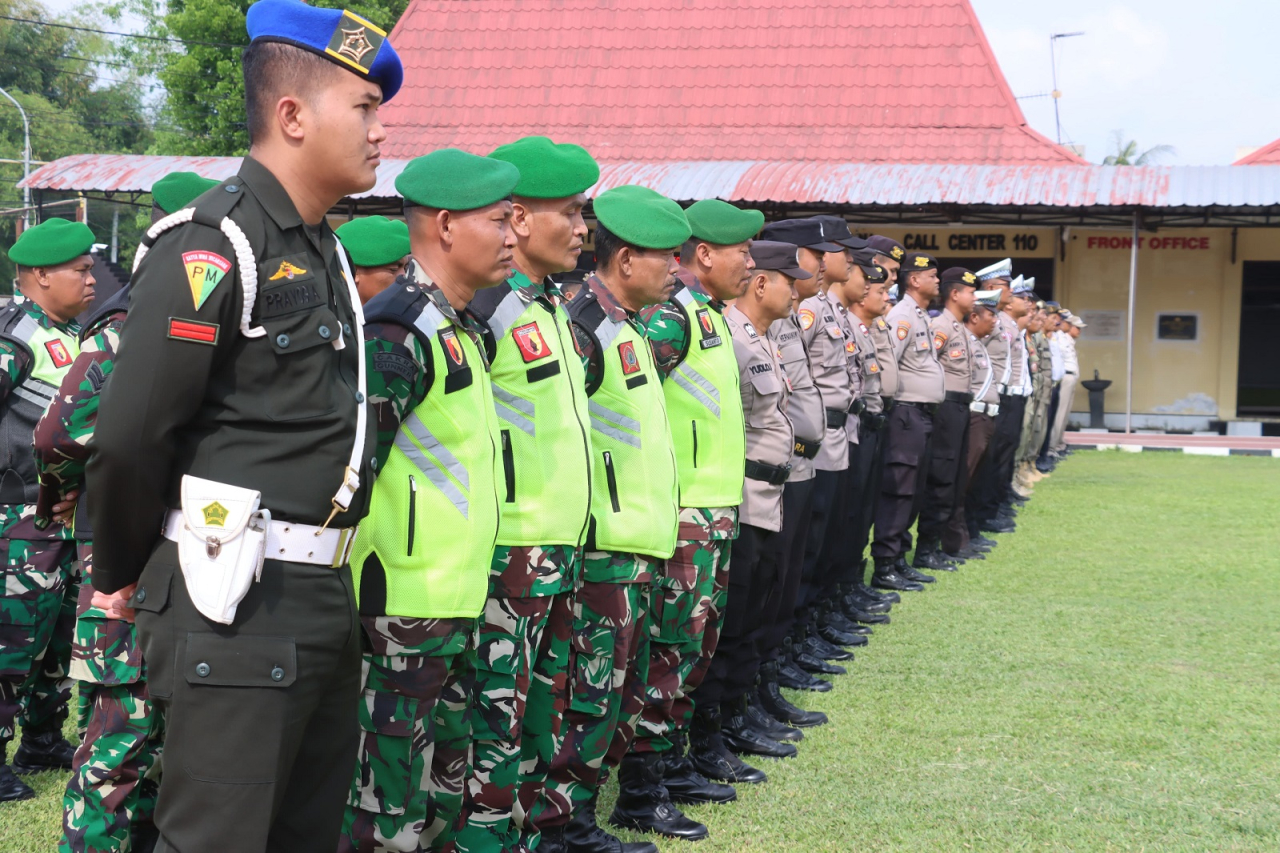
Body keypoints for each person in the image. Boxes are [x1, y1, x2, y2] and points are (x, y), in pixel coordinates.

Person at [85, 1, 402, 847]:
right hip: (235, 603)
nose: (380, 132)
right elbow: (131, 433)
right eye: (365, 108)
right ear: (292, 115)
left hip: (317, 599)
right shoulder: (214, 243)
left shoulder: (322, 247)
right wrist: (118, 569)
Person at [335, 149, 516, 853]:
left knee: (440, 799)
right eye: (499, 221)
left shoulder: (459, 325)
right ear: (444, 225)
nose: (512, 235)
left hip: (453, 600)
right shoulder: (398, 329)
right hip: (398, 610)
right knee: (386, 811)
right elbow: (347, 475)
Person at [42, 170, 217, 853]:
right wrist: (61, 486)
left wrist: (64, 481)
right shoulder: (134, 320)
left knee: (162, 745)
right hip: (128, 564)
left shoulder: (192, 315)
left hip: (189, 565)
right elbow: (62, 431)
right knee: (120, 738)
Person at [452, 136, 597, 853]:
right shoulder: (484, 308)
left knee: (541, 717)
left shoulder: (551, 308)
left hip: (559, 552)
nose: (581, 229)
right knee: (491, 725)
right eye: (568, 213)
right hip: (509, 554)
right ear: (517, 217)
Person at [536, 185, 686, 853]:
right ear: (626, 260)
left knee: (618, 694)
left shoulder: (626, 325)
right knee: (586, 694)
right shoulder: (585, 327)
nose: (676, 269)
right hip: (602, 547)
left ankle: (582, 814)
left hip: (638, 545)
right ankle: (563, 823)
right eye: (666, 257)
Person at [613, 199, 759, 841]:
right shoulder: (672, 321)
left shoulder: (708, 317)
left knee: (693, 650)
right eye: (741, 252)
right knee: (671, 652)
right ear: (705, 255)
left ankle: (669, 770)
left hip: (714, 512)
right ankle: (643, 793)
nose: (752, 264)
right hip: (684, 517)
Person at [689, 241, 811, 784]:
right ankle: (709, 735)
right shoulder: (730, 337)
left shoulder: (759, 337)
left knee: (755, 616)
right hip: (740, 499)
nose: (798, 289)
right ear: (763, 284)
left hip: (771, 496)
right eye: (790, 280)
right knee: (730, 625)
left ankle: (736, 716)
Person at [0, 218, 97, 802]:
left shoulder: (74, 330)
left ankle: (41, 738)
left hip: (62, 519)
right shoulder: (13, 334)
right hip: (15, 520)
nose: (91, 280)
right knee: (9, 644)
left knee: (57, 638)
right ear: (39, 275)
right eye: (79, 271)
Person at [753, 218, 836, 694]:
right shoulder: (769, 319)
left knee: (790, 575)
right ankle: (760, 679)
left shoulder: (791, 314)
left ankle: (774, 667)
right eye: (813, 255)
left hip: (803, 460)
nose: (819, 265)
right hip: (771, 471)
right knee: (768, 586)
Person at [792, 216, 867, 667]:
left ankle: (813, 624)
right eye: (833, 251)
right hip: (814, 439)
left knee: (827, 537)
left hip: (837, 431)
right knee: (810, 541)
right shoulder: (810, 310)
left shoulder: (829, 308)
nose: (840, 260)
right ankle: (799, 636)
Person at [821, 250, 894, 629]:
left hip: (854, 427)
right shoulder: (817, 313)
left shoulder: (851, 322)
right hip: (826, 436)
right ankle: (822, 612)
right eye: (858, 272)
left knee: (851, 519)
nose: (867, 281)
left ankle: (840, 595)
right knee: (830, 529)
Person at [869, 252, 945, 591]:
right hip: (905, 414)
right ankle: (885, 562)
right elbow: (889, 362)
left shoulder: (918, 314)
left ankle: (899, 557)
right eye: (933, 274)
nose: (938, 280)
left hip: (920, 415)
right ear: (914, 280)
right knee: (898, 490)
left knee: (911, 491)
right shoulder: (902, 315)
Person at [914, 267, 978, 572]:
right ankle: (925, 549)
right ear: (956, 294)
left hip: (961, 408)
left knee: (954, 479)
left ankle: (940, 543)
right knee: (940, 478)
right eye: (971, 291)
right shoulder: (941, 326)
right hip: (947, 409)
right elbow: (926, 364)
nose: (975, 298)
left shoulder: (959, 327)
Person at [967, 260, 1026, 539]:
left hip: (1005, 396)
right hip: (990, 396)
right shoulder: (988, 320)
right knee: (987, 462)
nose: (1012, 291)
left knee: (1000, 457)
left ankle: (992, 509)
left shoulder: (1004, 321)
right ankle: (984, 513)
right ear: (990, 288)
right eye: (1006, 285)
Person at [943, 289, 1001, 561]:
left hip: (985, 417)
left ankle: (967, 534)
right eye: (991, 314)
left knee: (974, 482)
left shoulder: (977, 342)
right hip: (973, 416)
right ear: (975, 317)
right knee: (961, 482)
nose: (995, 321)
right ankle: (955, 539)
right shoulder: (963, 338)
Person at [335, 215, 411, 304]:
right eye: (393, 269)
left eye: (405, 268)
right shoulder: (325, 316)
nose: (404, 276)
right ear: (354, 271)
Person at [1047, 313, 1081, 455]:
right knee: (1059, 414)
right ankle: (1052, 447)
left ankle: (1058, 443)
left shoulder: (1064, 338)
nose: (1078, 330)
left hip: (1070, 377)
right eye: (1072, 325)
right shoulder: (1058, 336)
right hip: (1064, 376)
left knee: (1064, 414)